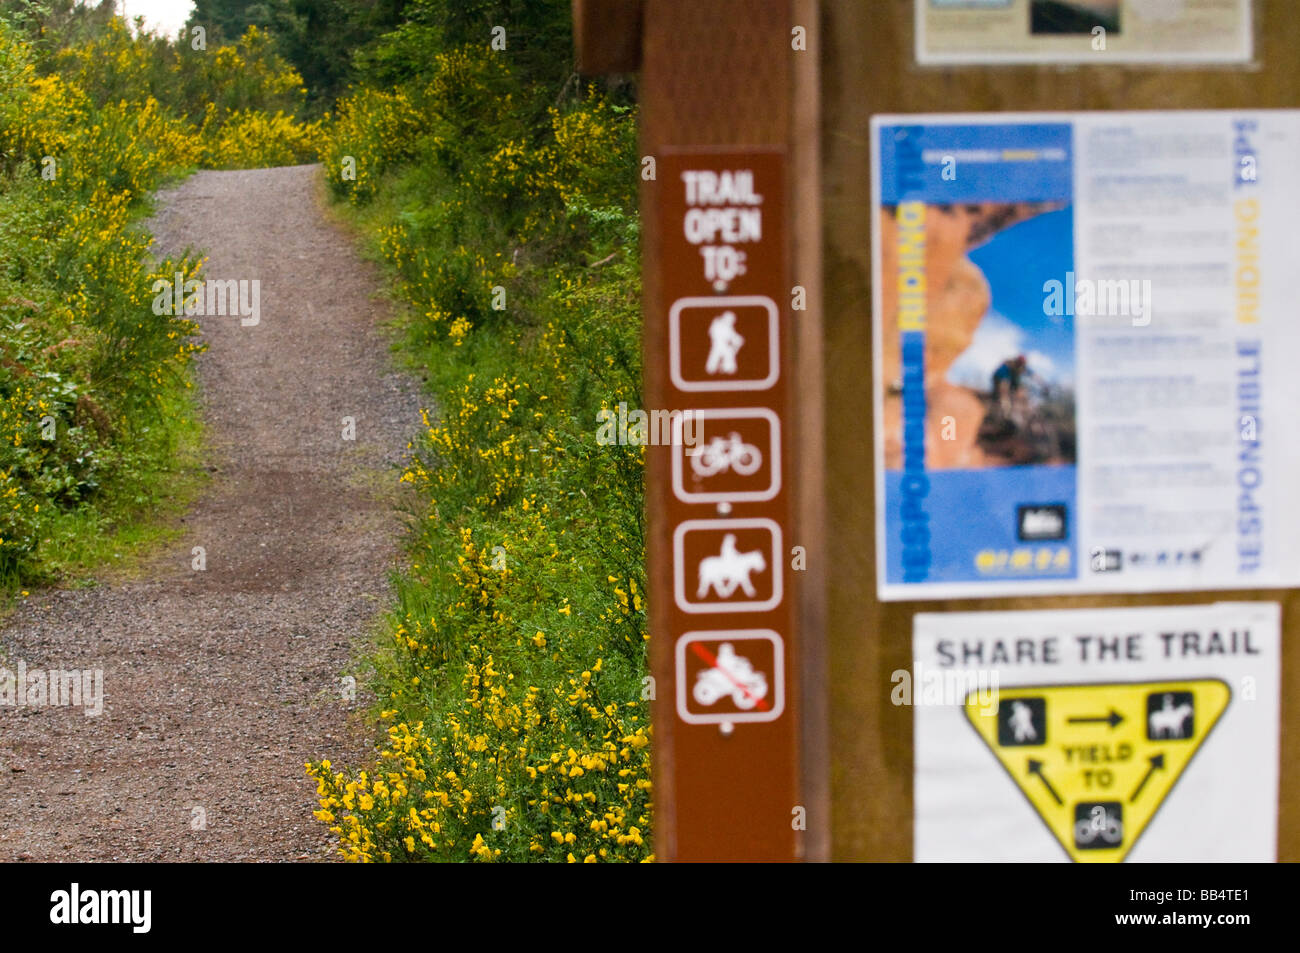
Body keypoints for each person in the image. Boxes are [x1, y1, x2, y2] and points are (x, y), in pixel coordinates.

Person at [991, 354, 1034, 420]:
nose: (1020, 365)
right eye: (1019, 363)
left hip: (1009, 381)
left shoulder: (1022, 368)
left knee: (1021, 392)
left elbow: (1033, 375)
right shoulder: (1008, 366)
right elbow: (1002, 380)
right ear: (1017, 361)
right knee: (1004, 395)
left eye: (1022, 364)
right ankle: (1005, 414)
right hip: (1001, 379)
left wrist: (1044, 384)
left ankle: (1013, 411)